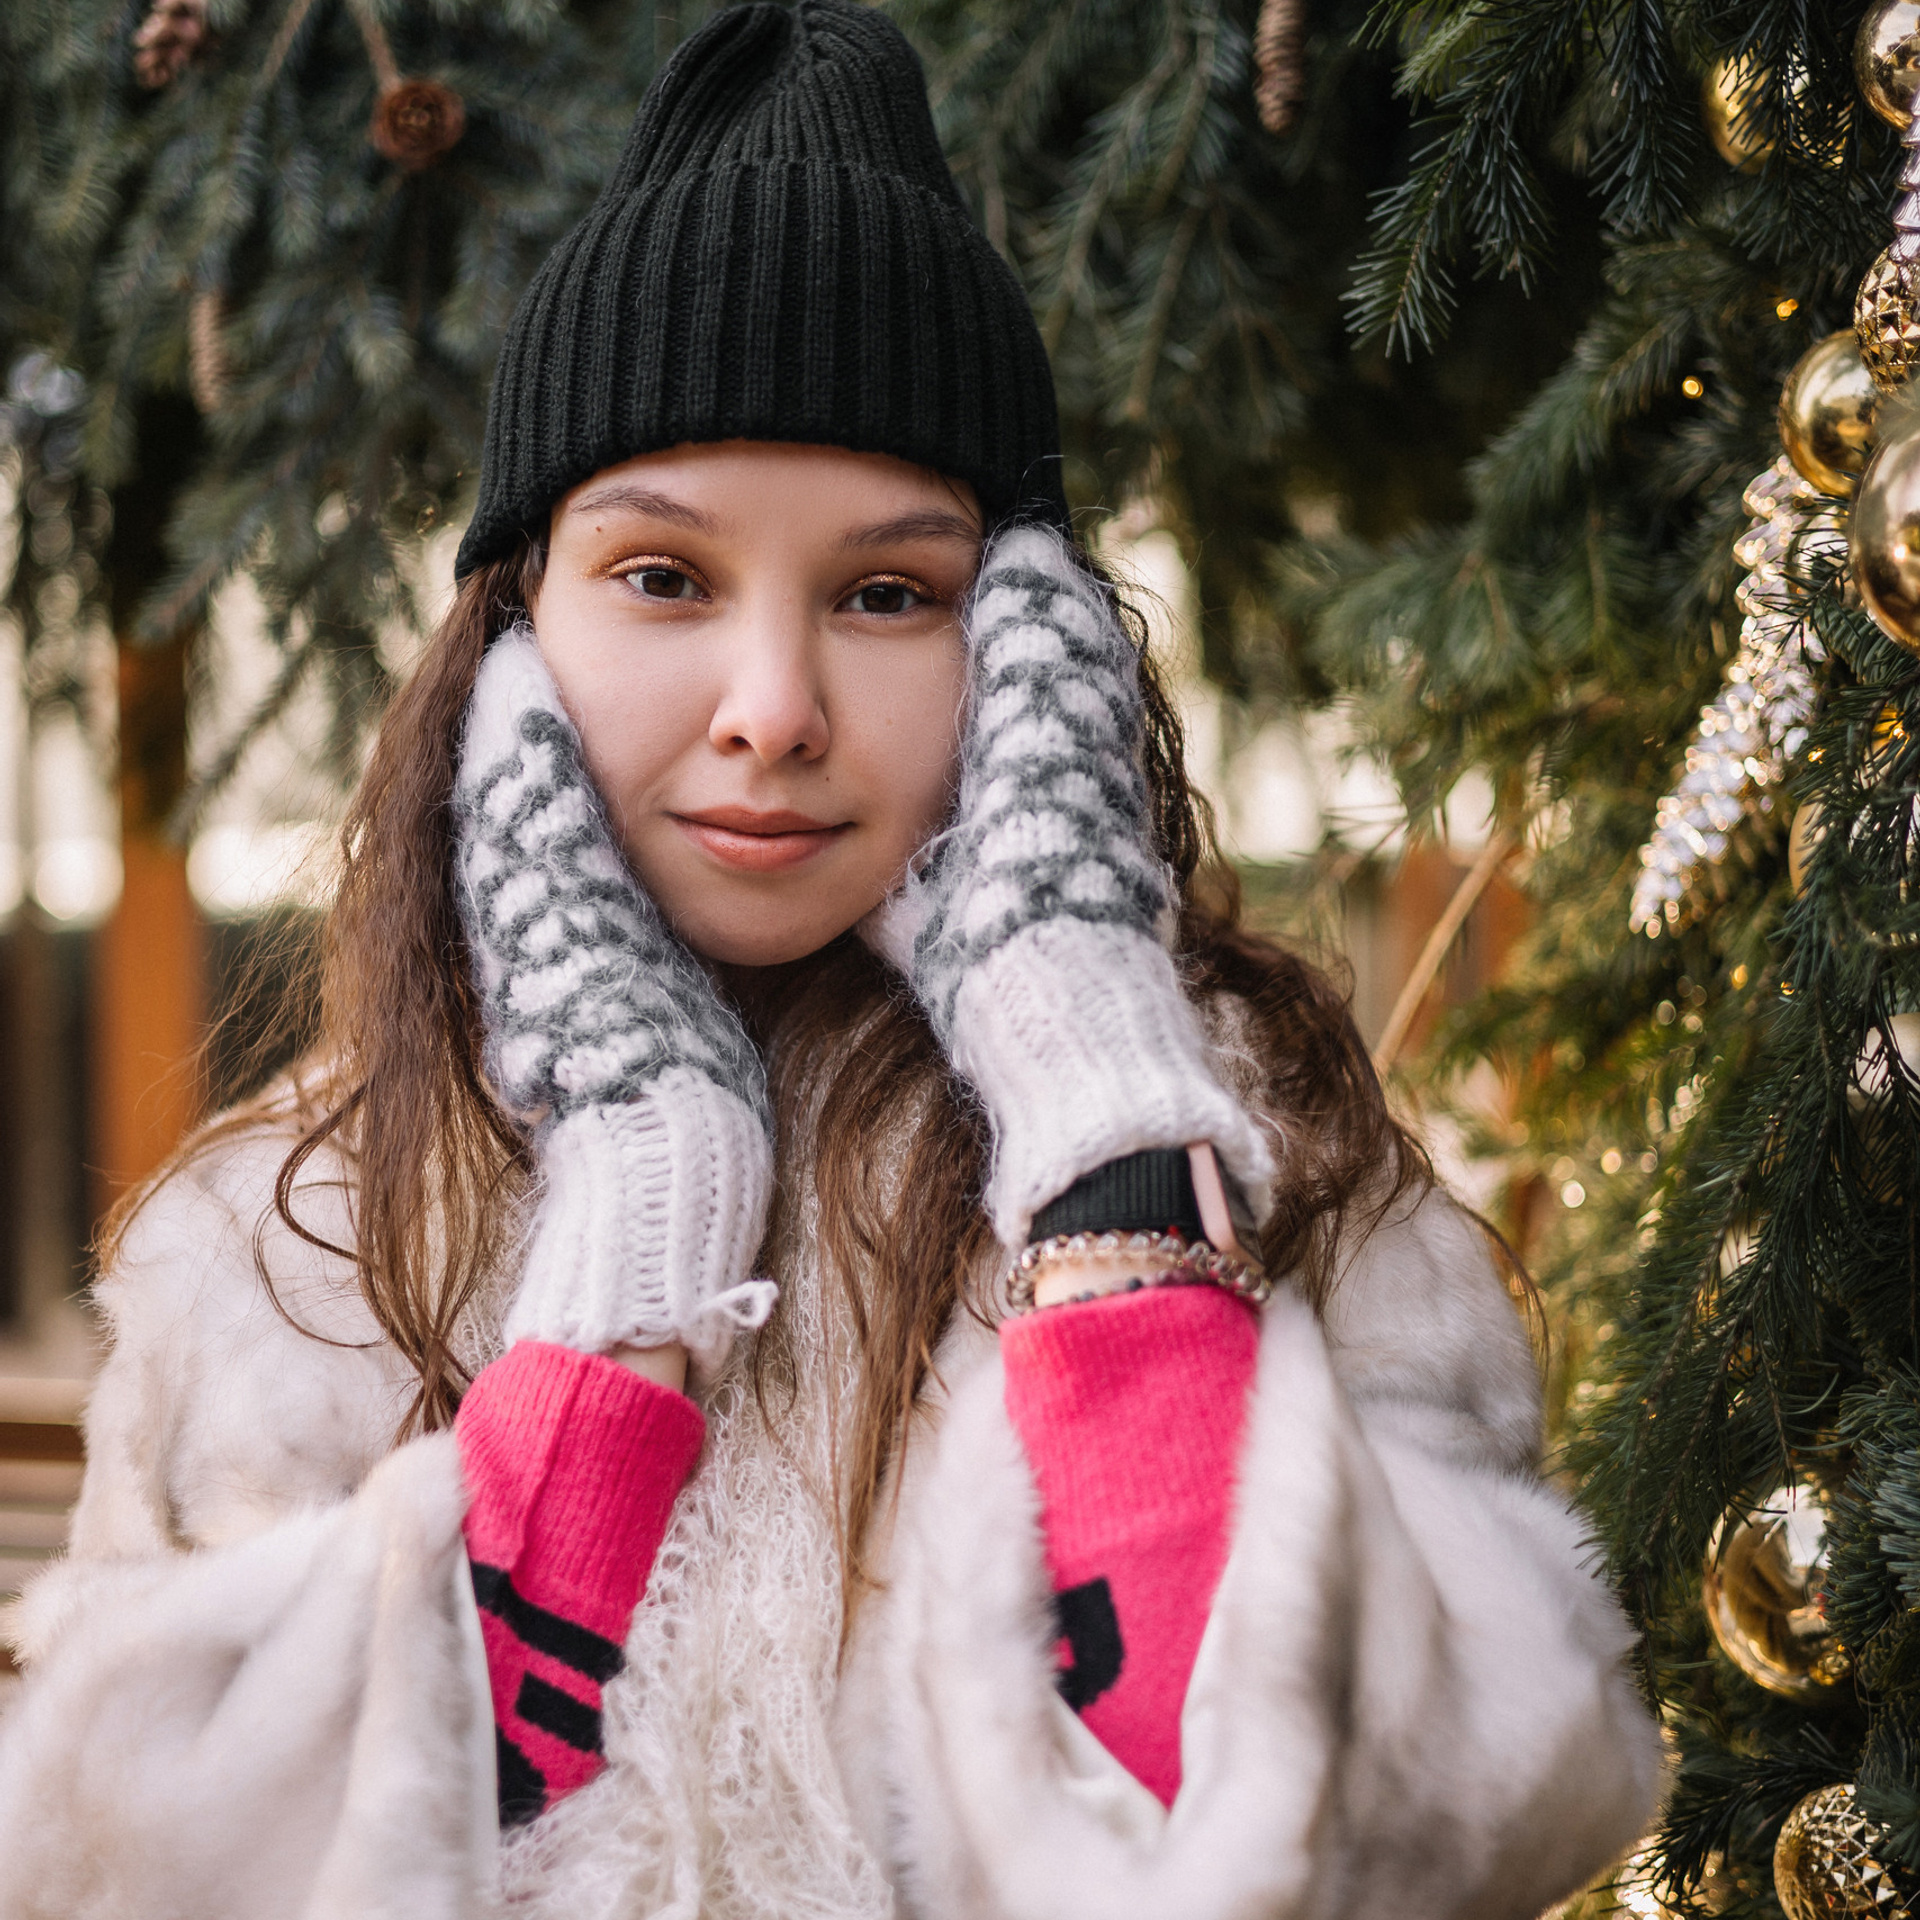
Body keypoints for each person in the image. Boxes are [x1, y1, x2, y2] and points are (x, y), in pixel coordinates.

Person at [0, 5, 1659, 1916]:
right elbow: (156, 1871)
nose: (773, 709)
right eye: (662, 578)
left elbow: (1389, 1836)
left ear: (1030, 652)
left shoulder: (1282, 1178)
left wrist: (1104, 1121)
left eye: (892, 595)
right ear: (511, 648)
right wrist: (634, 1245)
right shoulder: (279, 1257)